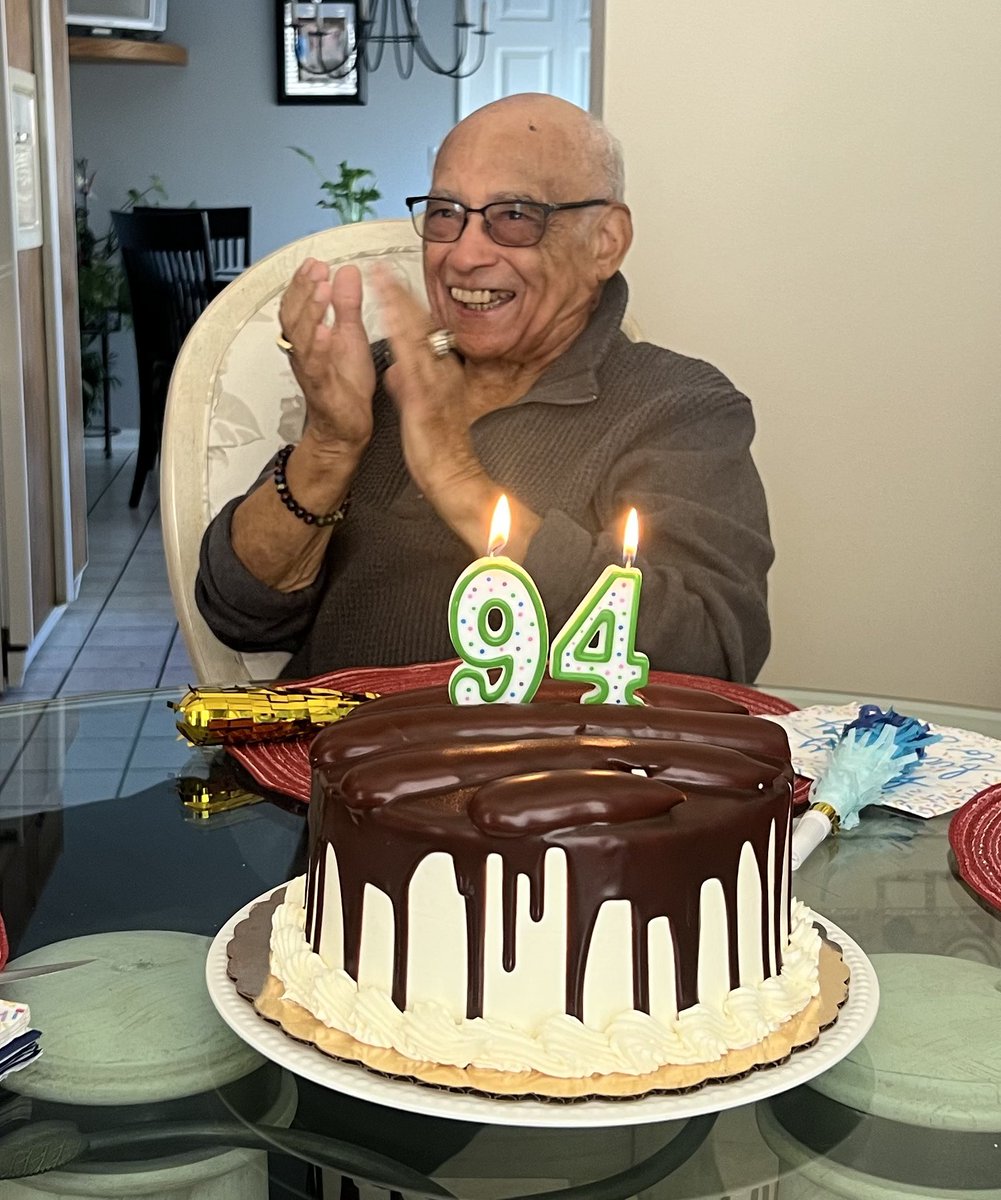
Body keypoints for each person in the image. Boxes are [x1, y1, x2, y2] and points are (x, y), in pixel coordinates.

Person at [196, 93, 774, 683]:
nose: (464, 255)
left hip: (546, 771)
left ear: (605, 241)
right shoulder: (376, 377)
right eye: (446, 213)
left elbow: (712, 655)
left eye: (515, 215)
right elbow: (237, 613)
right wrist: (330, 445)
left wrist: (454, 474)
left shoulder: (678, 405)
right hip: (320, 762)